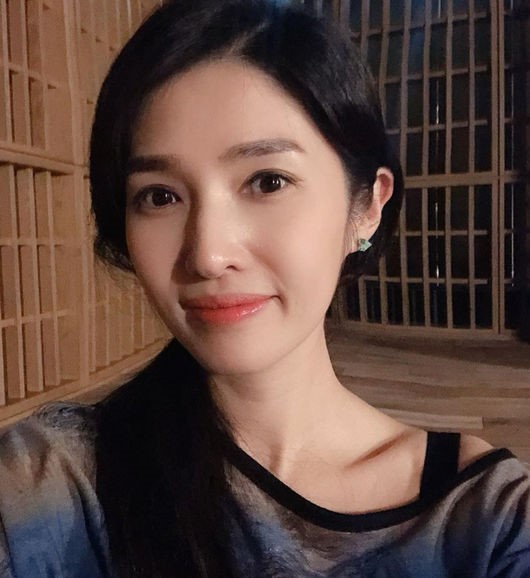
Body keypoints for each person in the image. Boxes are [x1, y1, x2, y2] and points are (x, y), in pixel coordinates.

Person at [0, 0, 528, 576]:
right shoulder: (53, 483)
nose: (208, 254)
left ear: (368, 206)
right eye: (160, 195)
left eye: (267, 181)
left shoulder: (485, 521)